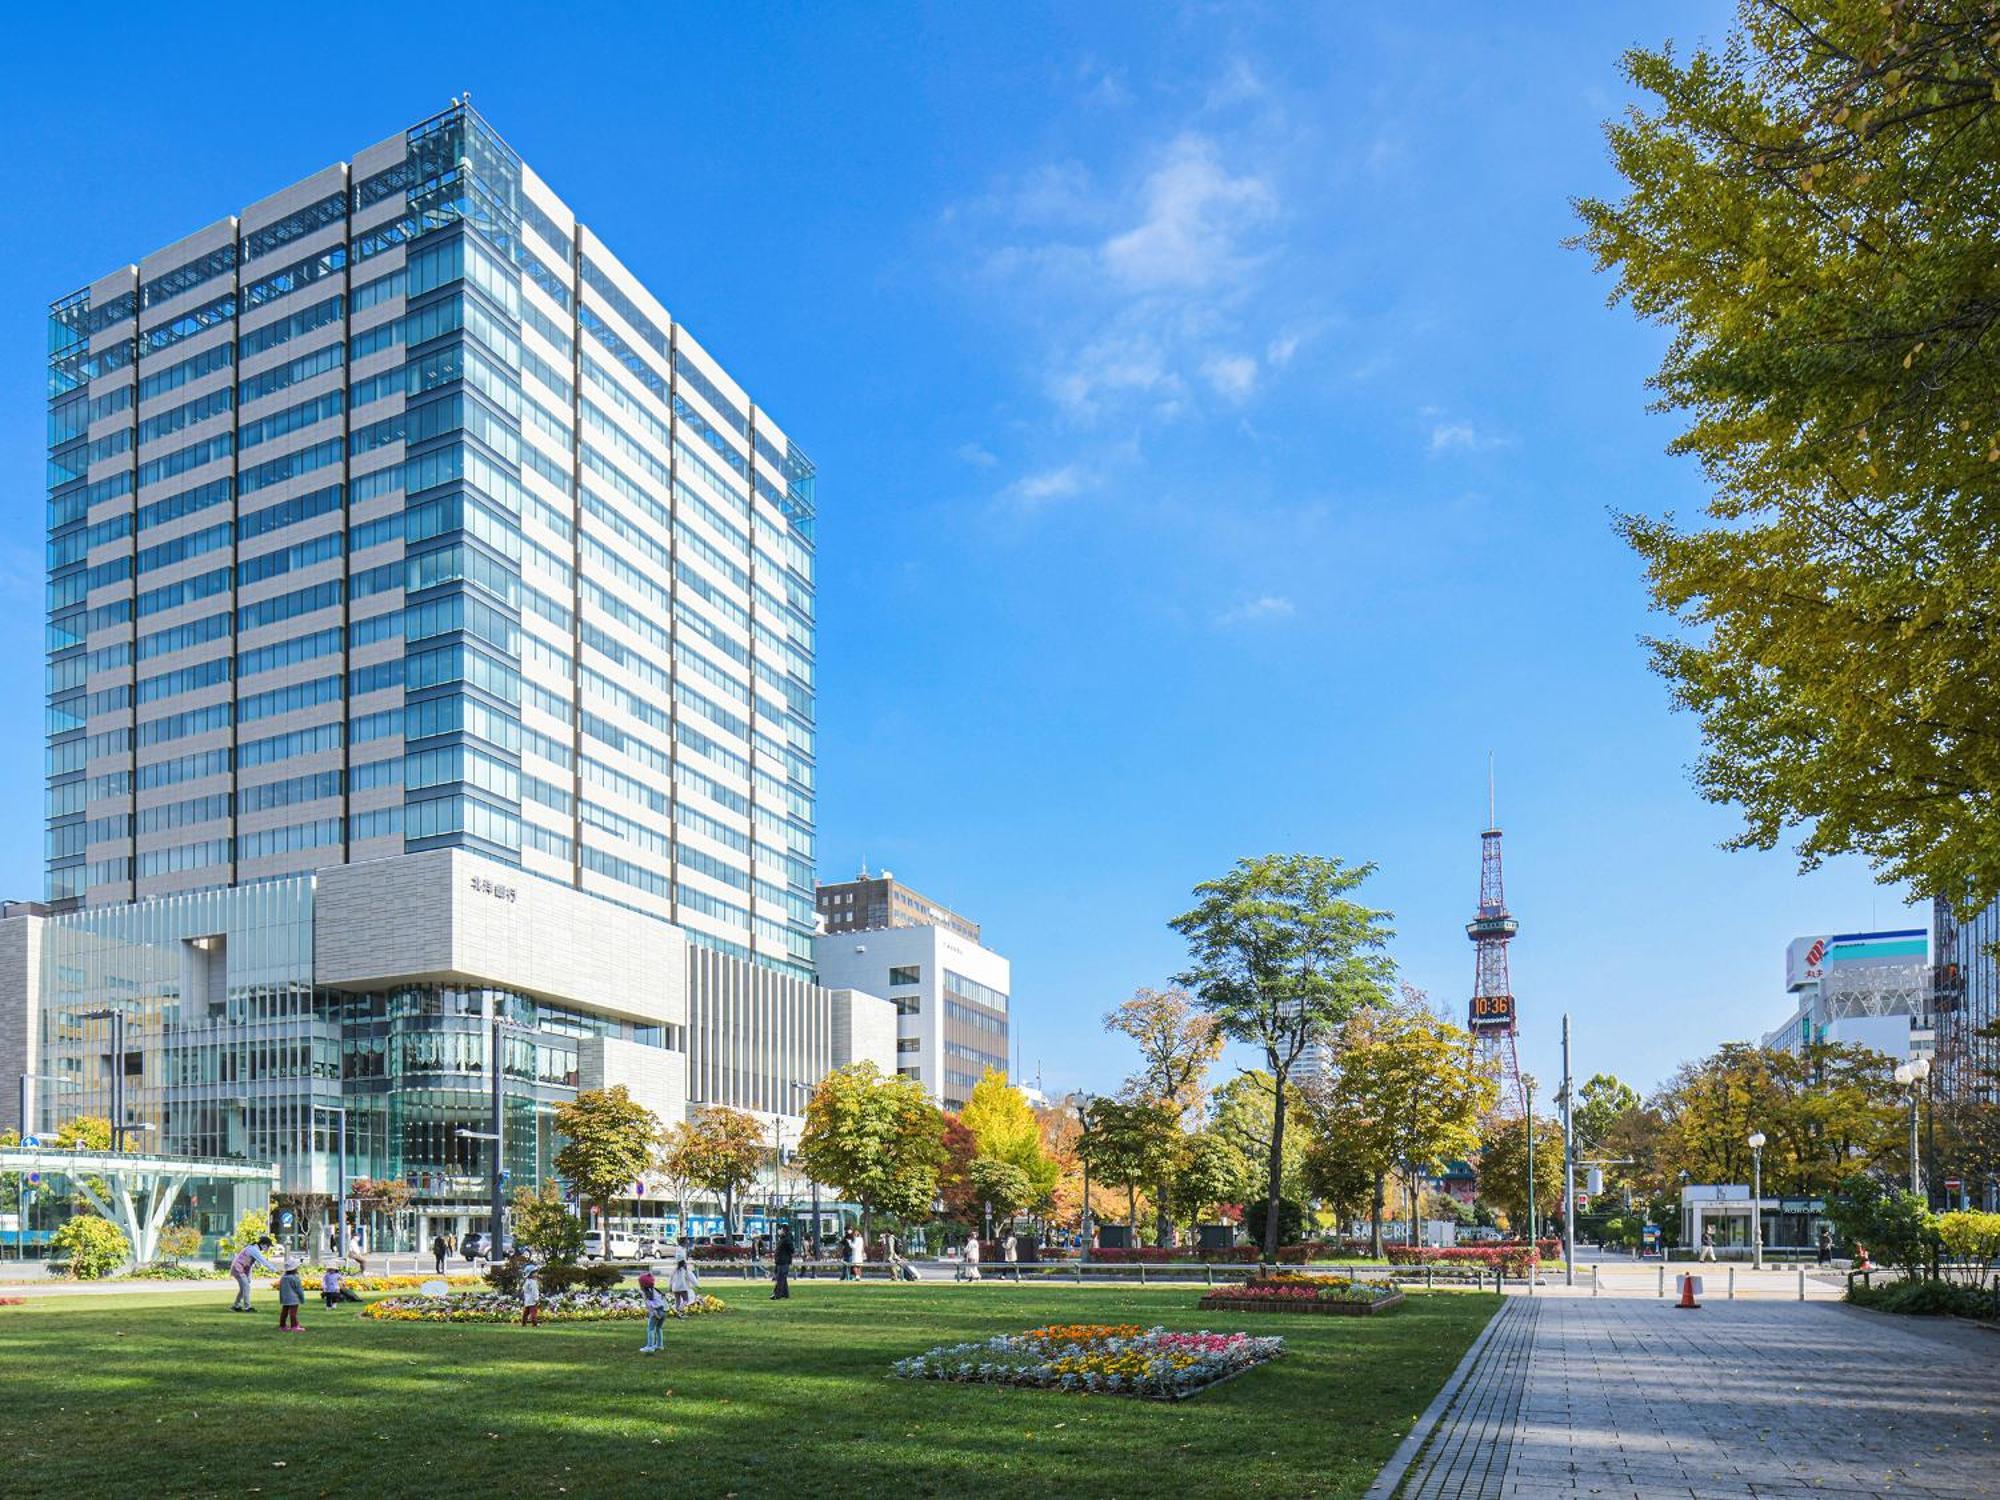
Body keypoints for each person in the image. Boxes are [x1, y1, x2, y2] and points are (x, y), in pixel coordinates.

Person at [229, 1236, 279, 1312]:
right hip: (238, 1269)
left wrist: (248, 1277)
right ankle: (247, 1307)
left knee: (244, 1288)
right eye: (268, 1246)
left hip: (240, 1269)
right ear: (263, 1244)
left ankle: (236, 1305)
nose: (268, 1248)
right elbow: (263, 1261)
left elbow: (248, 1264)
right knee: (246, 1287)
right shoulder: (253, 1249)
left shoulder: (253, 1249)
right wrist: (275, 1270)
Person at [638, 1272, 667, 1353]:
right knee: (659, 1328)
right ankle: (659, 1345)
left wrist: (654, 1313)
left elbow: (650, 1305)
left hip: (656, 1312)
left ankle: (650, 1347)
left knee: (650, 1329)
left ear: (642, 1284)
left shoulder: (646, 1293)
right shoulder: (656, 1290)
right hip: (663, 1311)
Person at [669, 1245, 700, 1316]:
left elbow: (671, 1279)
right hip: (683, 1287)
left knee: (677, 1301)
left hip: (675, 1288)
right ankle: (680, 1309)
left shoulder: (674, 1270)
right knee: (686, 1300)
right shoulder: (685, 1270)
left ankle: (678, 1313)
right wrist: (697, 1285)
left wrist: (670, 1287)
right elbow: (691, 1278)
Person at [276, 1259, 305, 1331]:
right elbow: (299, 1289)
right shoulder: (295, 1278)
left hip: (285, 1298)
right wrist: (302, 1298)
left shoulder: (283, 1278)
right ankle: (294, 1326)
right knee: (293, 1313)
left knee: (284, 1312)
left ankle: (282, 1326)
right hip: (294, 1299)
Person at [772, 1227, 794, 1300]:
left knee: (780, 1278)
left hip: (783, 1262)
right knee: (782, 1278)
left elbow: (791, 1250)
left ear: (784, 1231)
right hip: (780, 1261)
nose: (779, 1231)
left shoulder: (787, 1240)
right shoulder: (782, 1239)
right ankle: (785, 1294)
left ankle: (777, 1294)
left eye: (780, 1230)